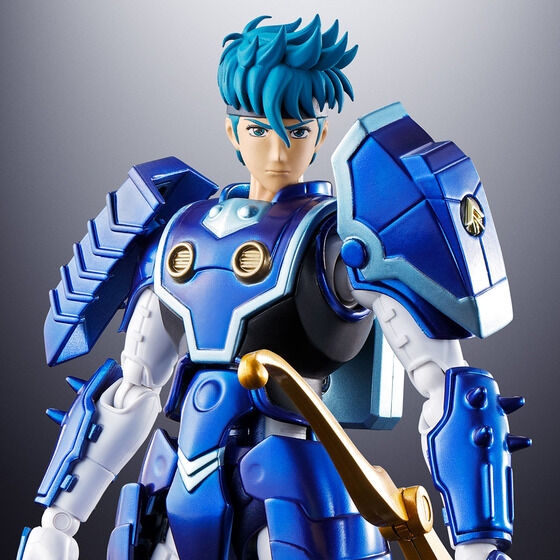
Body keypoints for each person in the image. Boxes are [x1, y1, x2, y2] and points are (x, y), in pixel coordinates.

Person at [18, 15, 528, 560]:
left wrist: (478, 543)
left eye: (297, 129)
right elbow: (132, 392)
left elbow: (448, 386)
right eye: (259, 129)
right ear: (233, 132)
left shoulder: (338, 240)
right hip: (175, 491)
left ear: (320, 134)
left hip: (293, 497)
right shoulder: (179, 231)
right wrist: (57, 525)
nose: (279, 150)